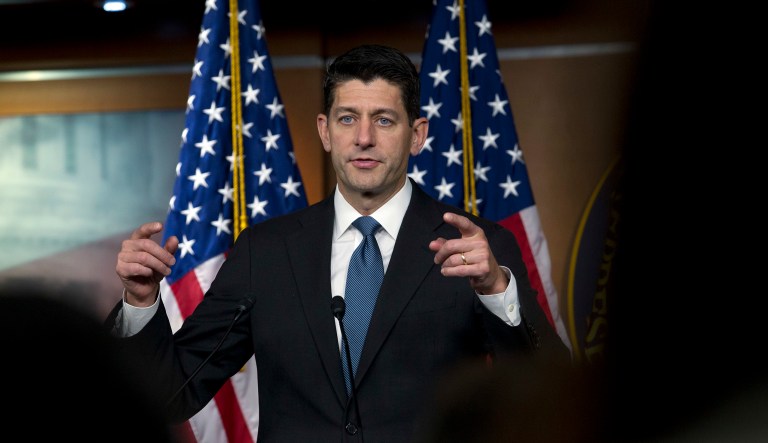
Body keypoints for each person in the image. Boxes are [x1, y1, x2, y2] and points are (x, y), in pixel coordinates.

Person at [109, 44, 569, 442]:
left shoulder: (476, 248)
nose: (364, 138)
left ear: (418, 135)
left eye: (384, 120)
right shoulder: (265, 252)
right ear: (326, 131)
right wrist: (140, 302)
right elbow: (171, 393)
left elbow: (548, 396)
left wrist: (495, 290)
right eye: (348, 119)